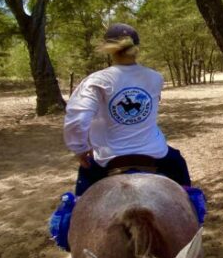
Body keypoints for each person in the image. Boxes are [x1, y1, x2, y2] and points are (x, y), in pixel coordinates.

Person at [62, 23, 202, 219]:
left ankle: (73, 231)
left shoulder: (96, 80)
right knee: (181, 174)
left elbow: (77, 119)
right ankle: (193, 216)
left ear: (108, 49)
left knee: (80, 209)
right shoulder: (155, 78)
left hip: (107, 157)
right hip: (155, 153)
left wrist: (79, 148)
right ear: (137, 48)